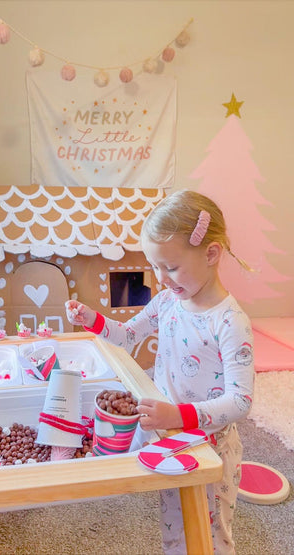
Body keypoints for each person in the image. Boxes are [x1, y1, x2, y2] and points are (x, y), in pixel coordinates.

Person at [65, 189, 254, 554]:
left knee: (209, 537)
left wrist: (178, 414)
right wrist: (92, 319)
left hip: (209, 449)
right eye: (155, 266)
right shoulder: (169, 300)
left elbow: (241, 401)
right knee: (175, 530)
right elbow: (127, 335)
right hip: (171, 438)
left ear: (211, 254)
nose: (161, 277)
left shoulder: (231, 322)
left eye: (171, 267)